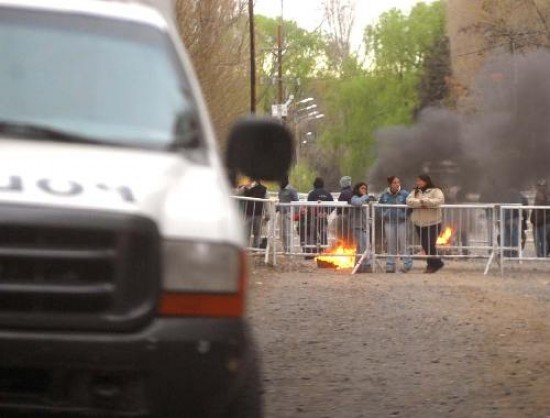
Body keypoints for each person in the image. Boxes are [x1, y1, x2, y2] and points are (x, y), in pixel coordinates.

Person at [406, 174, 445, 273]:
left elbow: (440, 200)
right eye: (417, 181)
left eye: (420, 181)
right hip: (419, 223)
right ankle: (433, 264)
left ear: (426, 181)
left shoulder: (436, 191)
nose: (418, 183)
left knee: (430, 244)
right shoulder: (415, 191)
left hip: (433, 222)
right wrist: (421, 202)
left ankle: (435, 264)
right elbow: (409, 201)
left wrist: (426, 202)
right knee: (425, 245)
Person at [378, 176, 412, 273]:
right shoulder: (384, 195)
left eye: (398, 182)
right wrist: (383, 215)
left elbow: (411, 206)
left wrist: (405, 215)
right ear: (390, 184)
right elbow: (379, 207)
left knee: (403, 244)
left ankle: (407, 264)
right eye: (394, 182)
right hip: (389, 222)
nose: (397, 184)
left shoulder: (405, 194)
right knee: (390, 243)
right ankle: (390, 265)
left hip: (402, 222)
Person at [302, 177, 334, 258]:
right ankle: (324, 253)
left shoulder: (312, 193)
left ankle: (311, 254)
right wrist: (326, 213)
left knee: (312, 235)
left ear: (314, 184)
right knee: (323, 235)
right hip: (323, 219)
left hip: (313, 219)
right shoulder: (327, 194)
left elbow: (309, 205)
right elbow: (333, 205)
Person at [350, 182, 374, 273]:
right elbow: (357, 203)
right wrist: (365, 196)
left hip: (364, 226)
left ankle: (360, 267)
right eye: (362, 188)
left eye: (365, 188)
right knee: (362, 247)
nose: (364, 190)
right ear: (357, 189)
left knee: (363, 247)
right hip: (357, 226)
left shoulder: (365, 200)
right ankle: (364, 266)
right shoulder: (354, 197)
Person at [241, 178, 268, 248]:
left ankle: (256, 248)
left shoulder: (263, 189)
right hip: (247, 213)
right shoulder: (245, 188)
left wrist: (267, 213)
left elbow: (266, 201)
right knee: (246, 232)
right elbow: (236, 193)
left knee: (257, 232)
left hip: (258, 214)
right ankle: (245, 248)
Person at [278, 176, 299, 252]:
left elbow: (296, 201)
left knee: (288, 232)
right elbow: (280, 200)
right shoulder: (280, 190)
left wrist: (296, 214)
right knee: (282, 233)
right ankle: (285, 248)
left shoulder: (292, 190)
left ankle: (289, 249)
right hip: (281, 213)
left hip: (288, 214)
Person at [530, 179, 550, 257]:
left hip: (544, 222)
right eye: (539, 186)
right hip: (537, 221)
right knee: (538, 240)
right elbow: (535, 209)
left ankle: (543, 255)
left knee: (544, 239)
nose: (540, 187)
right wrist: (532, 219)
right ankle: (540, 255)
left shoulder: (547, 196)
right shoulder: (537, 196)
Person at [336, 176, 353, 244]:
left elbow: (339, 207)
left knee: (344, 235)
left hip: (345, 217)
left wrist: (338, 214)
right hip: (353, 218)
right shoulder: (353, 191)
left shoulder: (343, 193)